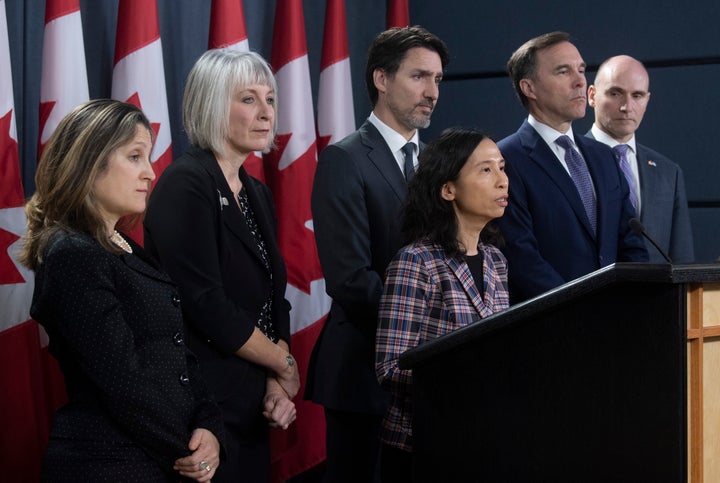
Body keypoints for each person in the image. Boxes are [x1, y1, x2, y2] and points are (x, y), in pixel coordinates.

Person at [19, 99, 223, 482]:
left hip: (157, 460)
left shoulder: (124, 248)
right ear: (89, 162)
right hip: (108, 464)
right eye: (135, 157)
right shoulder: (72, 254)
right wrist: (189, 450)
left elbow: (178, 355)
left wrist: (210, 429)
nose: (150, 172)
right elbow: (122, 380)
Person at [144, 49, 298, 482]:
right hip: (202, 407)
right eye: (248, 99)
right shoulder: (186, 183)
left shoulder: (256, 192)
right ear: (211, 104)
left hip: (251, 405)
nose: (266, 111)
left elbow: (271, 299)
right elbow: (205, 304)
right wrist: (285, 365)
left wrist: (273, 382)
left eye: (269, 99)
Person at [305, 26, 450, 482]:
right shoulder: (344, 159)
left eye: (438, 80)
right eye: (419, 77)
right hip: (363, 377)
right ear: (381, 79)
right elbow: (350, 279)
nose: (432, 93)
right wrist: (431, 323)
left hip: (427, 377)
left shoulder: (435, 164)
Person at [376, 127, 510, 480]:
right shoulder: (415, 261)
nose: (502, 180)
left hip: (484, 442)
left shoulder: (496, 261)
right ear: (448, 189)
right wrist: (471, 382)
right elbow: (390, 367)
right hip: (423, 448)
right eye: (486, 169)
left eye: (502, 167)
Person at [496, 31, 648, 303]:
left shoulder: (604, 156)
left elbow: (631, 242)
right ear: (529, 88)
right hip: (551, 324)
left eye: (581, 69)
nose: (580, 81)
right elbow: (522, 258)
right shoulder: (505, 159)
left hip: (617, 322)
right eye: (563, 72)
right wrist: (581, 307)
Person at [587, 54, 694, 263]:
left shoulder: (668, 172)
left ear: (647, 100)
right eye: (615, 93)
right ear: (592, 95)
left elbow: (682, 260)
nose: (627, 106)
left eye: (637, 96)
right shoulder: (571, 162)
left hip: (657, 294)